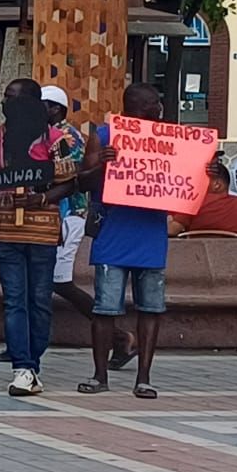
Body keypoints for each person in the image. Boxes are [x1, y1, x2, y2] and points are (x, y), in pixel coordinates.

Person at [0, 77, 80, 397]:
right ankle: (22, 367)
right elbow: (2, 176)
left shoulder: (56, 138)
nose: (5, 103)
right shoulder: (1, 135)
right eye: (4, 97)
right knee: (14, 301)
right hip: (6, 229)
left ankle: (33, 362)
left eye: (12, 97)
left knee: (39, 301)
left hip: (41, 231)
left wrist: (42, 198)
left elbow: (69, 182)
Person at [78, 81, 172, 398]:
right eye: (153, 104)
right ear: (139, 107)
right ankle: (99, 375)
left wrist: (208, 168)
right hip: (114, 232)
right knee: (105, 309)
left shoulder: (170, 141)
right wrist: (102, 165)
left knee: (151, 308)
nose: (159, 109)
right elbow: (82, 181)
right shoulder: (104, 137)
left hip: (150, 234)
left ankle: (143, 377)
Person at [171, 159, 237, 237]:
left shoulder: (194, 202)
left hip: (195, 250)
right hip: (233, 250)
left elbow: (172, 231)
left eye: (201, 180)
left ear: (217, 185)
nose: (196, 184)